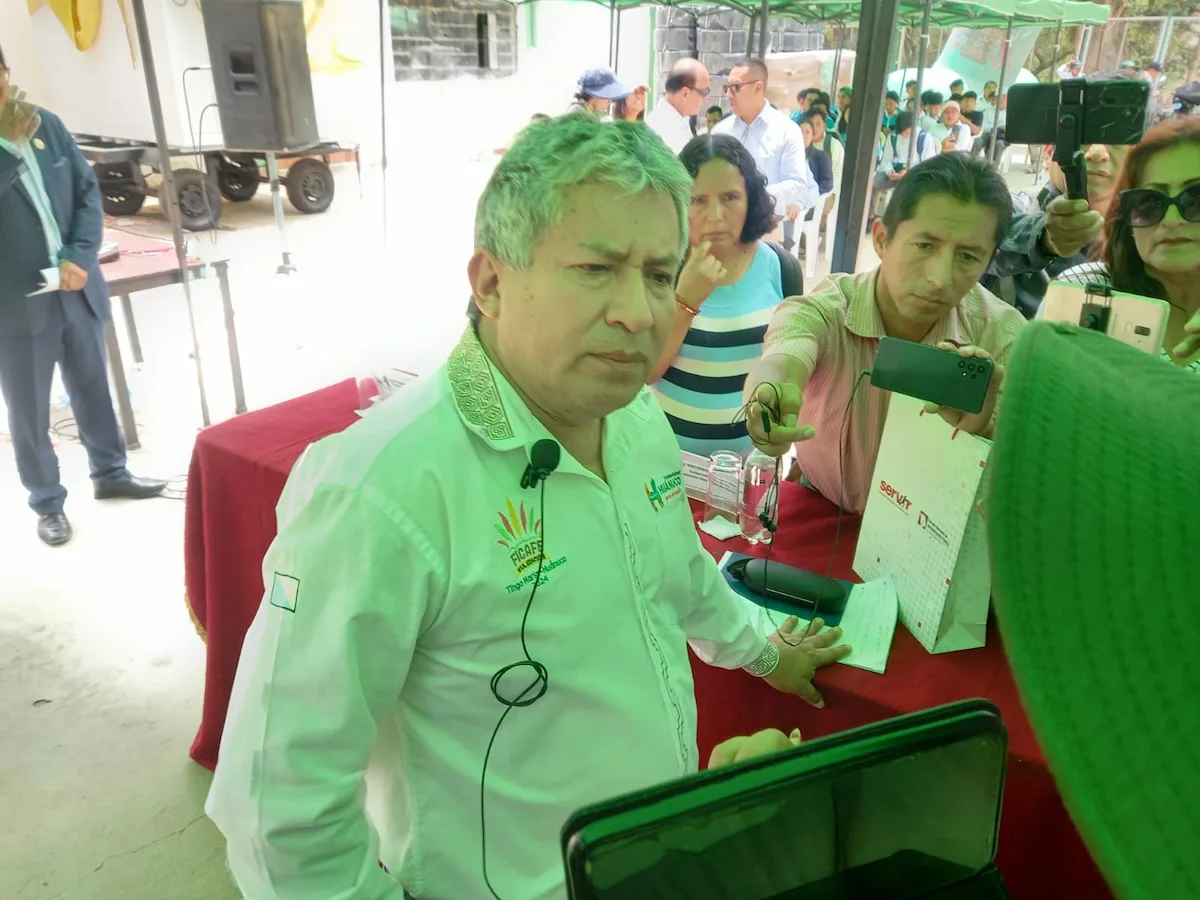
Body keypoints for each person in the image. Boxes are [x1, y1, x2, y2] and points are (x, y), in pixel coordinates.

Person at [206, 113, 851, 900]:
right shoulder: (382, 489)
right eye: (595, 268)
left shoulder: (636, 420)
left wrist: (765, 653)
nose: (640, 313)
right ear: (489, 281)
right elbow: (279, 805)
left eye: (657, 273)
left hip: (646, 858)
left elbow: (680, 576)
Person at [744, 153, 1026, 513]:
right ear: (881, 239)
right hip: (824, 515)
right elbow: (784, 356)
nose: (940, 278)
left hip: (937, 542)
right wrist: (767, 401)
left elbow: (1015, 478)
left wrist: (982, 435)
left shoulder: (1003, 338)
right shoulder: (828, 310)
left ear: (990, 260)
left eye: (968, 257)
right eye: (925, 246)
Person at [0, 45, 165, 547]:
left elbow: (87, 191)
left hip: (76, 284)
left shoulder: (44, 124)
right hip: (19, 299)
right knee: (29, 407)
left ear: (7, 73)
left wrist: (80, 255)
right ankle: (47, 501)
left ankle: (110, 471)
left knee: (93, 384)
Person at [651, 134, 799, 456]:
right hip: (666, 467)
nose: (715, 215)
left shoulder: (781, 268)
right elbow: (645, 372)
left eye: (730, 197)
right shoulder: (661, 266)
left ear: (751, 199)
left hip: (748, 473)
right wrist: (685, 300)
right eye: (698, 200)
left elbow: (790, 366)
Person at [1047, 119, 1200, 372]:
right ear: (1127, 218)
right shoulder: (1083, 291)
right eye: (1149, 202)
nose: (1172, 221)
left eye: (1197, 198)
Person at [985, 71, 1134, 319]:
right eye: (1082, 136)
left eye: (1113, 136)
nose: (1097, 152)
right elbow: (983, 238)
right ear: (1048, 150)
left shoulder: (1149, 231)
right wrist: (1045, 238)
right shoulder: (1009, 209)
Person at [713, 58, 818, 225]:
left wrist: (754, 194)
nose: (728, 94)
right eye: (727, 87)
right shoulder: (720, 131)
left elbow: (797, 184)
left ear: (758, 88)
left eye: (735, 87)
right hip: (722, 221)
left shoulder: (786, 130)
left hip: (766, 223)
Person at [646, 59, 711, 153]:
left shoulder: (678, 119)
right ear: (685, 93)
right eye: (704, 92)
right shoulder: (664, 132)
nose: (706, 99)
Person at [877, 111, 938, 182]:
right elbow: (885, 161)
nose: (904, 135)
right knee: (877, 181)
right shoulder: (893, 136)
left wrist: (908, 172)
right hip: (896, 170)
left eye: (906, 132)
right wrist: (889, 171)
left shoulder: (925, 137)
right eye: (901, 133)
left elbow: (928, 165)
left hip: (916, 173)